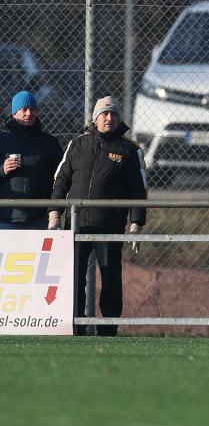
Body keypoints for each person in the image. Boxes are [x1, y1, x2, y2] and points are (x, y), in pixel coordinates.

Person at [50, 96, 148, 336]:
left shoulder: (129, 149)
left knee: (111, 277)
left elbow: (139, 189)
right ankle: (76, 326)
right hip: (76, 224)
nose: (109, 118)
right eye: (104, 114)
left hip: (110, 224)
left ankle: (108, 329)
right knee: (74, 277)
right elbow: (61, 180)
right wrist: (54, 213)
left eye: (113, 114)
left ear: (119, 118)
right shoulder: (78, 144)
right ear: (95, 118)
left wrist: (136, 222)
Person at [0, 91, 63, 229]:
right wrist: (2, 169)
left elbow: (60, 178)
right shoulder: (2, 140)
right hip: (5, 217)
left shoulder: (49, 142)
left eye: (32, 109)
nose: (29, 113)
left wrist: (54, 210)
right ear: (14, 112)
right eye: (24, 109)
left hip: (39, 217)